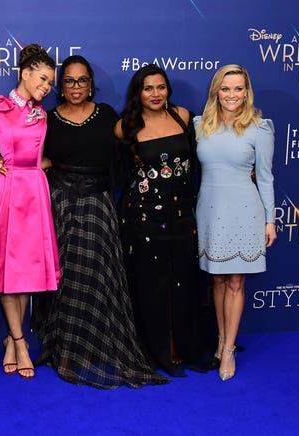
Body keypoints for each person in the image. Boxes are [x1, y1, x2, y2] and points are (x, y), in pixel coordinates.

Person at [31, 55, 169, 388]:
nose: (75, 87)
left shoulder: (107, 115)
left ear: (91, 83)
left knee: (98, 276)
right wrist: (8, 165)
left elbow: (137, 144)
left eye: (81, 80)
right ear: (60, 87)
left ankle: (98, 345)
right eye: (68, 81)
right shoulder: (47, 119)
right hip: (60, 204)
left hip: (98, 204)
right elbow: (28, 149)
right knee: (64, 278)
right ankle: (64, 348)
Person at [0, 44, 60, 380]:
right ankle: (21, 343)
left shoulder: (44, 115)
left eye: (51, 82)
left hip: (35, 193)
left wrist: (37, 169)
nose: (47, 86)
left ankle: (11, 338)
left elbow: (42, 158)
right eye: (43, 78)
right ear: (25, 73)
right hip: (7, 194)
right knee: (9, 274)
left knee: (26, 276)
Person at [115, 64, 203, 378]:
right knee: (151, 285)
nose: (155, 94)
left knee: (183, 281)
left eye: (160, 87)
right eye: (148, 88)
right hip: (143, 217)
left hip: (182, 215)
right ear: (138, 92)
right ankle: (158, 347)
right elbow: (109, 170)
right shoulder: (125, 126)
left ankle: (184, 343)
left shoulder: (183, 116)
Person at [194, 64, 276, 381]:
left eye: (238, 89)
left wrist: (270, 220)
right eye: (226, 88)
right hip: (209, 210)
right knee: (216, 280)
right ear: (216, 90)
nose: (232, 95)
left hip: (245, 210)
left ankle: (229, 349)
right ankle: (219, 339)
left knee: (236, 282)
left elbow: (266, 179)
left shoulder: (259, 127)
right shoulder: (201, 125)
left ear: (246, 92)